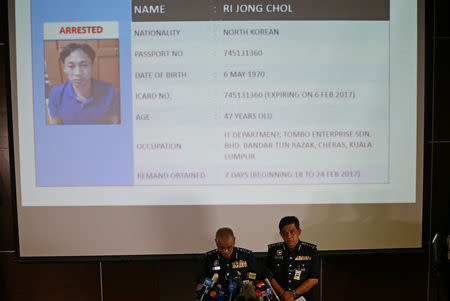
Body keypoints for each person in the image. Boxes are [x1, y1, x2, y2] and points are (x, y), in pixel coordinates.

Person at [47, 43, 120, 125]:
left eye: (84, 65)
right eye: (71, 66)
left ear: (92, 66)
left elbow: (113, 125)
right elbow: (56, 128)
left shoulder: (110, 91)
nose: (78, 73)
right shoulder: (55, 94)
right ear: (64, 68)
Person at [266, 216, 319, 301]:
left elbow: (313, 279)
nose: (289, 236)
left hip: (303, 298)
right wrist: (283, 294)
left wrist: (293, 295)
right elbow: (268, 275)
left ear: (299, 232)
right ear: (281, 234)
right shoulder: (273, 250)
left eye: (292, 232)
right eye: (285, 233)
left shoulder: (310, 250)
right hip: (280, 297)